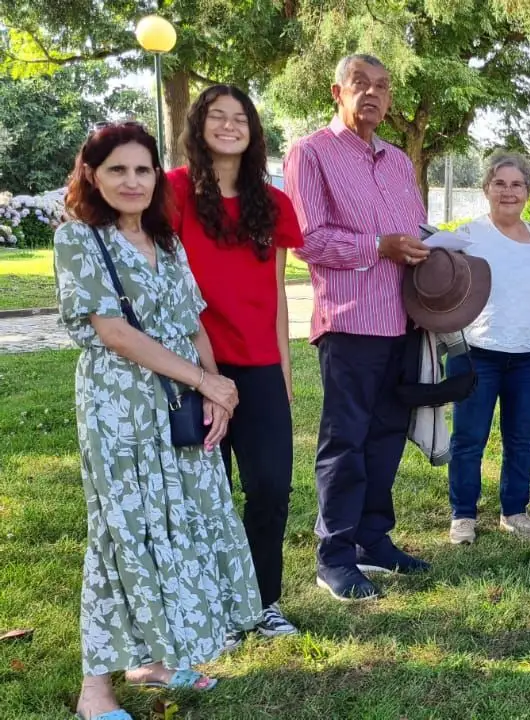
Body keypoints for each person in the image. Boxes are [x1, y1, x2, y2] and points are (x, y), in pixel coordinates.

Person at [56, 123, 261, 720]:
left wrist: (217, 391)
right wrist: (203, 382)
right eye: (117, 169)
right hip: (119, 406)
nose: (132, 181)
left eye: (143, 169)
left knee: (178, 522)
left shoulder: (164, 241)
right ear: (92, 175)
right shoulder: (79, 241)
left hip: (178, 400)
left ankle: (152, 661)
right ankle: (95, 690)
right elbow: (112, 332)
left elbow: (193, 319)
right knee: (123, 531)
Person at [287, 53, 432, 601]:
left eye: (382, 86)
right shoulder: (311, 153)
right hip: (351, 321)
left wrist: (436, 243)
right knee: (346, 439)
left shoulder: (397, 161)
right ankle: (335, 555)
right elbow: (306, 240)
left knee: (388, 434)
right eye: (360, 84)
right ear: (337, 91)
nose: (372, 94)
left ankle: (374, 538)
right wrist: (379, 247)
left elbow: (411, 227)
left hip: (406, 317)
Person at [170, 84, 303, 638]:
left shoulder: (271, 203)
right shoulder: (172, 192)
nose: (229, 125)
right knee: (207, 493)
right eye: (217, 116)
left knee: (271, 487)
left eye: (240, 118)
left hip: (259, 366)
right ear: (199, 126)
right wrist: (199, 377)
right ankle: (214, 607)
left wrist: (284, 368)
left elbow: (274, 291)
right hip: (194, 367)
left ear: (253, 132)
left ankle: (262, 600)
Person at [444, 152, 530, 545]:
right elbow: (442, 284)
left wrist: (519, 317)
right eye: (500, 184)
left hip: (529, 355)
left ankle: (514, 510)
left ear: (528, 191)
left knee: (521, 437)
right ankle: (463, 515)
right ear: (486, 189)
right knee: (469, 437)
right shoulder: (466, 236)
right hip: (477, 353)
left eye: (517, 185)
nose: (508, 192)